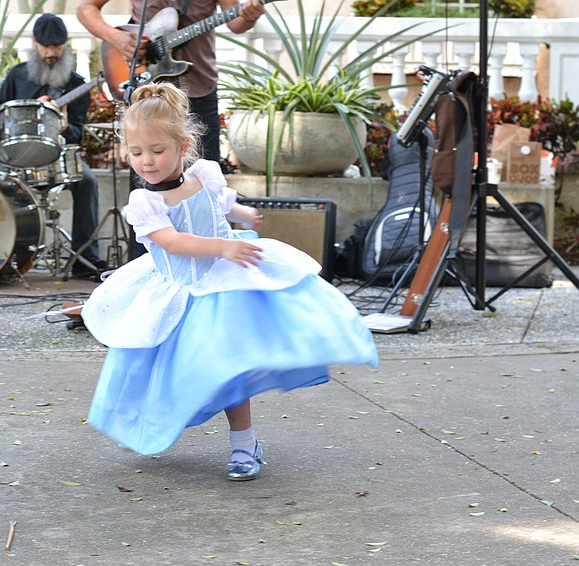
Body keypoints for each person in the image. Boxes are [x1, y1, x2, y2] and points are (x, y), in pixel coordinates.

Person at [81, 83, 378, 481]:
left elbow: (220, 205)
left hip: (222, 291)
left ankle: (245, 445)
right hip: (176, 295)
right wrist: (222, 246)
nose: (147, 161)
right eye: (137, 153)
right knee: (157, 370)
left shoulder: (205, 175)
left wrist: (243, 214)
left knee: (229, 369)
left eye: (157, 151)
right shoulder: (145, 203)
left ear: (183, 146)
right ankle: (148, 425)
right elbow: (172, 241)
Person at [78, 0, 265, 259]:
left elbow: (236, 22)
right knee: (149, 185)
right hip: (147, 88)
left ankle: (216, 259)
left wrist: (249, 16)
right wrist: (116, 38)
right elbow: (85, 7)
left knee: (203, 183)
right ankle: (147, 267)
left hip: (197, 86)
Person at [0, 13, 106, 278]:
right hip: (16, 154)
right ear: (35, 45)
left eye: (56, 46)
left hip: (58, 155)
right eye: (45, 46)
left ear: (65, 45)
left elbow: (78, 134)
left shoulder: (77, 85)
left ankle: (85, 259)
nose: (51, 52)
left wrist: (63, 126)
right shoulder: (17, 75)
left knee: (87, 181)